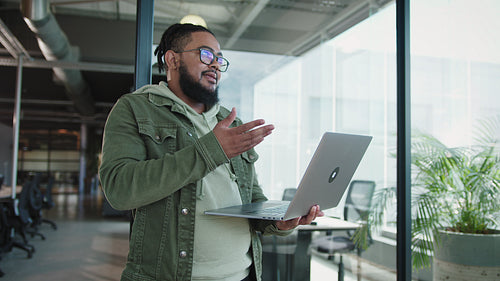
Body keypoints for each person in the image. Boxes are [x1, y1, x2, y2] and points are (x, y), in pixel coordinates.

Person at [99, 23, 323, 281]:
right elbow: (119, 189)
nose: (216, 65)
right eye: (206, 55)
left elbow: (251, 198)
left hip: (243, 275)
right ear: (173, 59)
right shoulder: (136, 108)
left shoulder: (230, 121)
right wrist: (210, 151)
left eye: (219, 59)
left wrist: (279, 222)